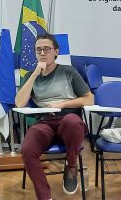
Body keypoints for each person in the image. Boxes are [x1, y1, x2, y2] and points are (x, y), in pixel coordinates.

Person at [15, 33, 94, 200]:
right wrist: (35, 74)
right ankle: (45, 197)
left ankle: (71, 167)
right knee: (27, 150)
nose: (42, 53)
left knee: (73, 122)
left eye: (47, 49)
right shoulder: (30, 76)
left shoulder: (68, 72)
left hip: (68, 119)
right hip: (44, 122)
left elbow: (89, 99)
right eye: (38, 50)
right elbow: (20, 103)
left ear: (56, 52)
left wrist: (62, 104)